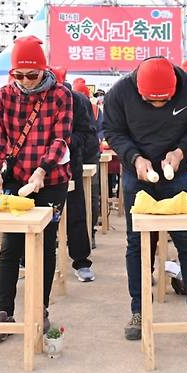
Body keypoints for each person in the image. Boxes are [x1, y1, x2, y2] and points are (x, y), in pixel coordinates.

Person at [103, 56, 187, 341]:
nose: (158, 106)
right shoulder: (119, 93)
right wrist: (134, 158)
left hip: (176, 172)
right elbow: (113, 132)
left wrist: (181, 152)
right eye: (151, 102)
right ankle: (139, 310)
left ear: (175, 86)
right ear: (138, 90)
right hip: (136, 174)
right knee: (137, 243)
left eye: (164, 101)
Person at [0, 36, 72, 343]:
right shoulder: (4, 95)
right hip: (16, 179)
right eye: (17, 75)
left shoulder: (61, 95)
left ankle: (40, 309)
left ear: (43, 70)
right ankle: (4, 313)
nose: (24, 81)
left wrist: (42, 170)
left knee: (45, 247)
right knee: (10, 246)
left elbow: (61, 139)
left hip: (51, 179)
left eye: (31, 75)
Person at [47, 69, 95, 281]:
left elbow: (87, 133)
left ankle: (81, 261)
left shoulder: (77, 100)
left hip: (68, 166)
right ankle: (26, 259)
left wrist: (64, 142)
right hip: (35, 167)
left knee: (75, 213)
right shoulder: (31, 98)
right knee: (36, 216)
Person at [72, 77, 102, 250]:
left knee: (90, 195)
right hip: (72, 155)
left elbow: (97, 129)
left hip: (89, 154)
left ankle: (90, 231)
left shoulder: (93, 108)